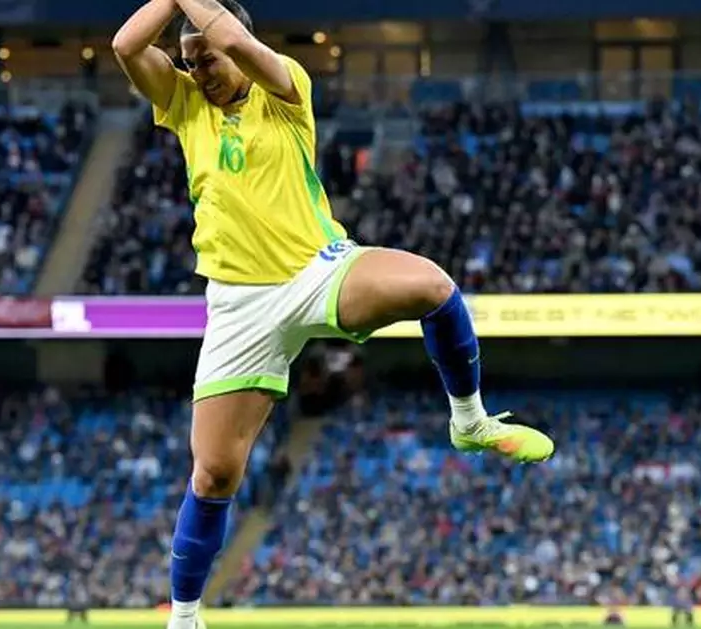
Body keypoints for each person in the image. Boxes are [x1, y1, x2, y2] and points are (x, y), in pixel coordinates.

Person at [111, 2, 555, 627]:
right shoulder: (186, 106)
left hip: (318, 269)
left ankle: (470, 421)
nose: (198, 73)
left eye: (206, 60)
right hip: (240, 303)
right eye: (188, 64)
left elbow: (232, 35)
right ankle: (184, 620)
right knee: (213, 474)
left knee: (433, 286)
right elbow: (127, 46)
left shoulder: (283, 87)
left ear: (231, 50)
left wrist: (207, 20)